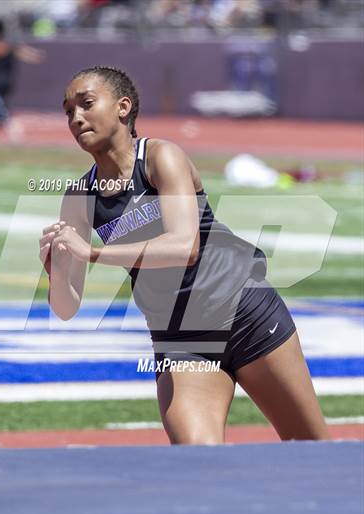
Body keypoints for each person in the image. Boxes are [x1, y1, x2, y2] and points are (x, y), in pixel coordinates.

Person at [39, 65, 330, 445]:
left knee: (313, 449)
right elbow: (65, 308)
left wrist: (92, 252)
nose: (75, 118)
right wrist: (58, 271)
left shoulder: (162, 157)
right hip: (182, 339)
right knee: (199, 459)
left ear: (123, 107)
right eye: (67, 111)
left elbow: (184, 247)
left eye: (87, 104)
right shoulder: (79, 198)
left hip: (245, 312)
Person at [0, 18, 44, 137]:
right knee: (1, 104)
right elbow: (23, 52)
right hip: (7, 80)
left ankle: (3, 126)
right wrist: (35, 56)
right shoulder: (9, 44)